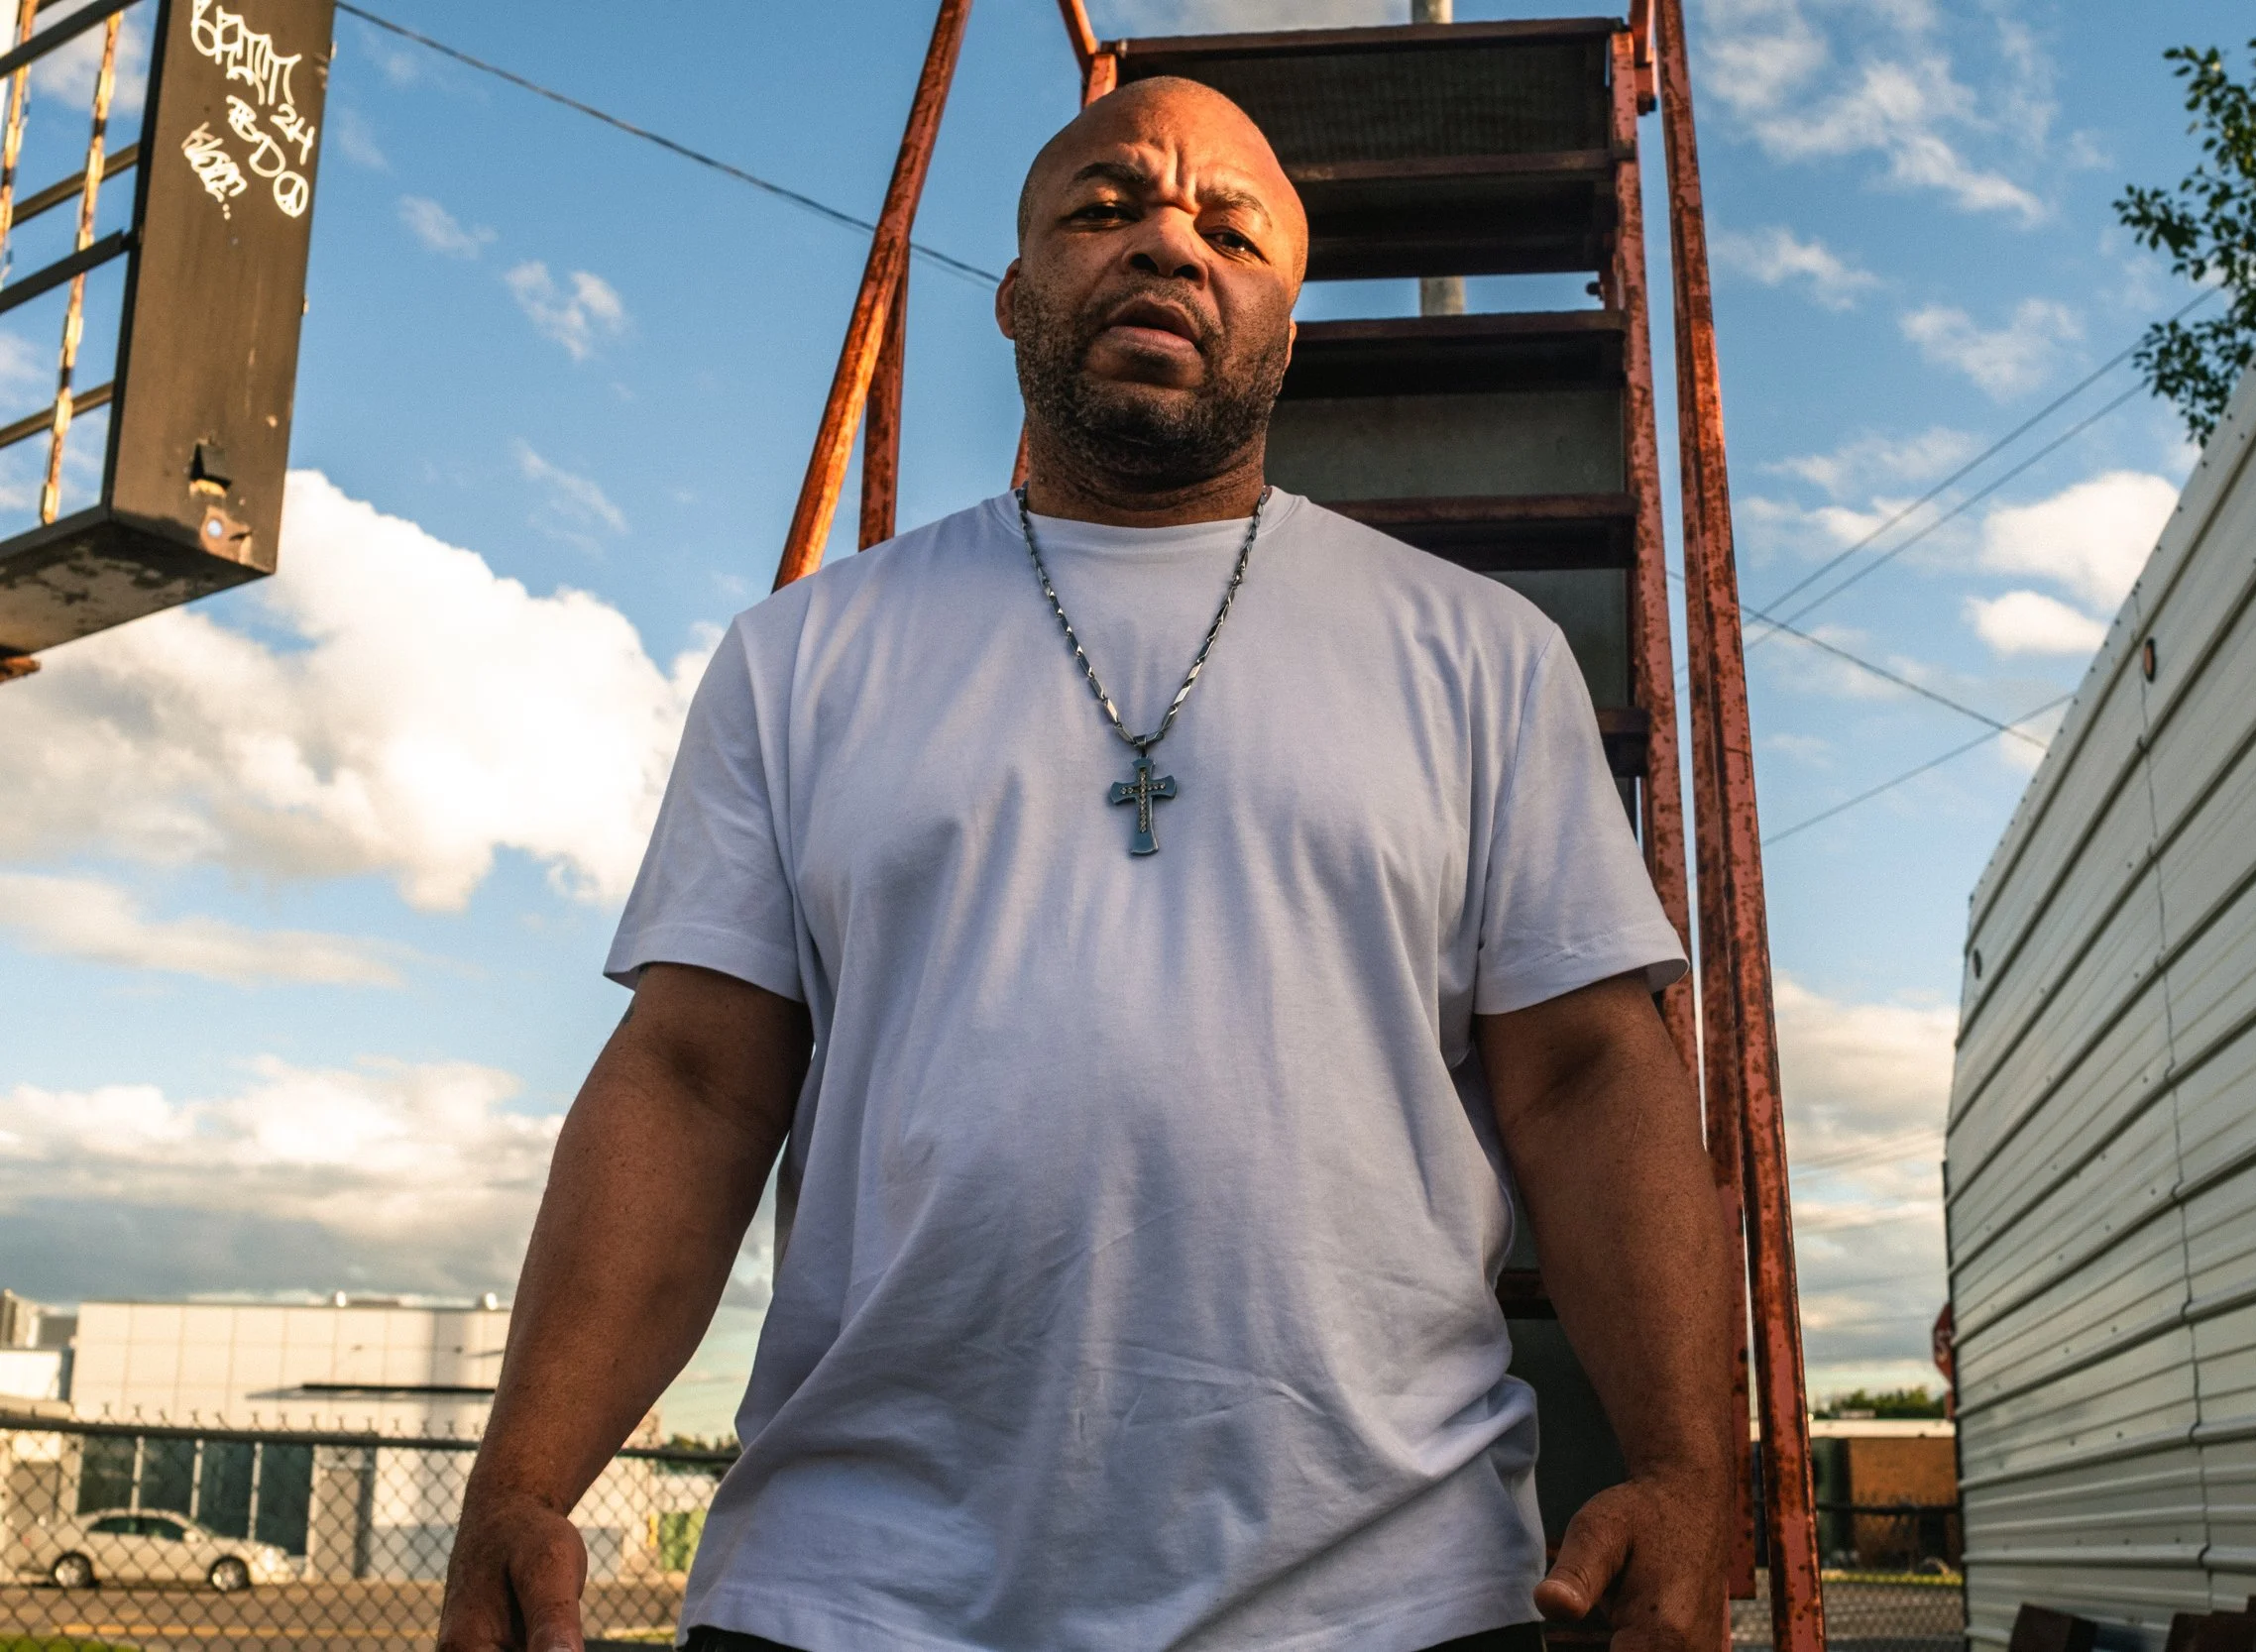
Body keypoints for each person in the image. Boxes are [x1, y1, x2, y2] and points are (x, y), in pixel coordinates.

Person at [438, 75, 1731, 1652]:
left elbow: (1594, 1075)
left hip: (1388, 1596)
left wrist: (1684, 1468)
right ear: (1014, 292)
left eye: (1229, 228)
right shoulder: (807, 657)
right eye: (1105, 209)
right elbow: (694, 1082)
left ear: (1285, 321)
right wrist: (522, 1481)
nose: (1168, 247)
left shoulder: (1479, 657)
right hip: (857, 1596)